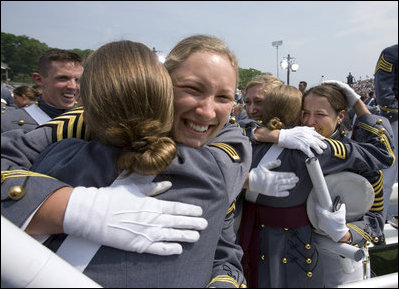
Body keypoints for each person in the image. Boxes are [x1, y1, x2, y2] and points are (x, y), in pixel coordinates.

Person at [1, 36, 328, 288]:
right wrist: (70, 208)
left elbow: (223, 247)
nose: (207, 110)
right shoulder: (82, 134)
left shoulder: (221, 154)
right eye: (192, 89)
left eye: (224, 97)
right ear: (160, 86)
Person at [237, 82, 394, 288]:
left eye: (320, 114)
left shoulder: (352, 156)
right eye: (305, 113)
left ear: (340, 116)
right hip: (289, 257)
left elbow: (375, 221)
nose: (310, 122)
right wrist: (272, 134)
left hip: (342, 262)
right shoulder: (290, 142)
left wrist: (347, 233)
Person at [1, 49, 83, 133]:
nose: (73, 86)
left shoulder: (89, 123)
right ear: (39, 79)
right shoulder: (7, 124)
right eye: (63, 78)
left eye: (78, 80)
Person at [373, 43, 398, 223]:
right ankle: (378, 222)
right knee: (388, 175)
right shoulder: (391, 53)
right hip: (396, 121)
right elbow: (383, 91)